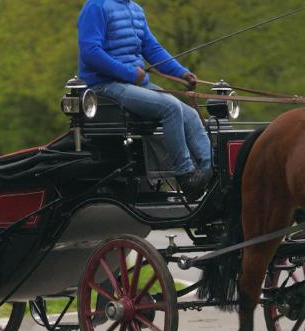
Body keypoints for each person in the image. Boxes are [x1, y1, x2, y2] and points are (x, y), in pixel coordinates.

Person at [77, 0, 213, 201]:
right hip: (105, 86)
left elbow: (152, 48)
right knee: (171, 107)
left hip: (135, 84)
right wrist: (130, 73)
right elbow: (90, 52)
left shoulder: (135, 9)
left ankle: (210, 172)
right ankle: (186, 176)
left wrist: (181, 73)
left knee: (191, 115)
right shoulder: (97, 6)